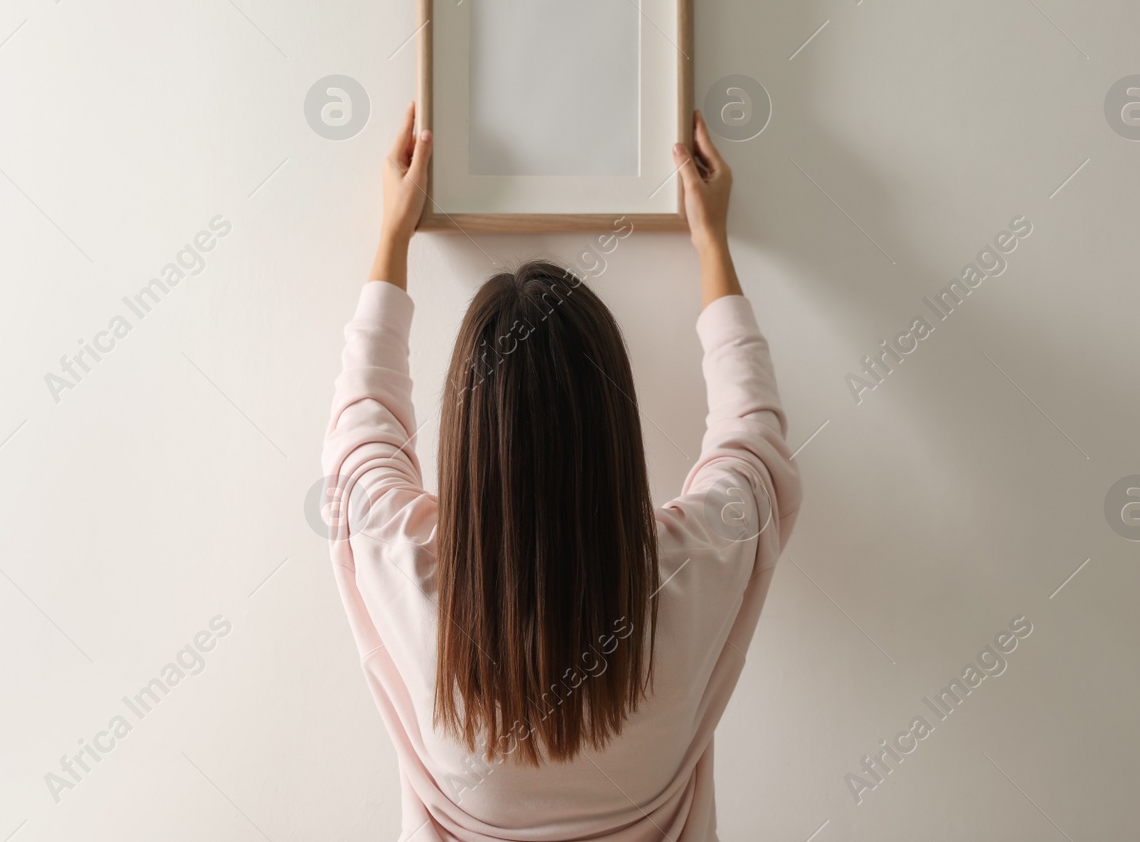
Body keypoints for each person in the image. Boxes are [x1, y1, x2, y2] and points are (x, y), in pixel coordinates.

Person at [321, 102, 801, 841]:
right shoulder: (688, 575)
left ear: (467, 439)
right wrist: (711, 241)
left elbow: (362, 428)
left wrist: (392, 235)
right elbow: (754, 441)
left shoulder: (408, 570)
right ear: (616, 430)